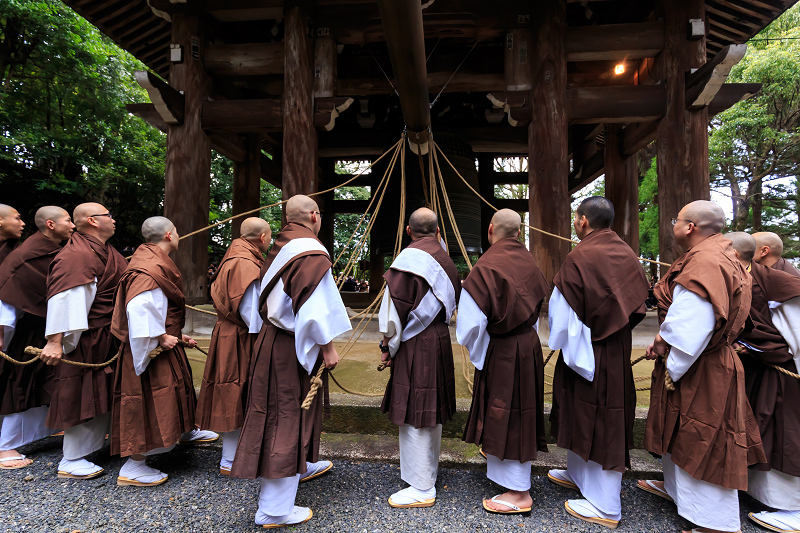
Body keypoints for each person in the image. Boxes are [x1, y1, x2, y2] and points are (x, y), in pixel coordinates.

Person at [639, 200, 765, 533]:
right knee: (683, 432)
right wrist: (663, 341)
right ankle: (678, 493)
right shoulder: (719, 255)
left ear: (690, 226)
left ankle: (714, 523)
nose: (673, 225)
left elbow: (690, 327)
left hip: (700, 365)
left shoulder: (707, 263)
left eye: (675, 219)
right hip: (701, 358)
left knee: (704, 438)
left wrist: (672, 364)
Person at [231, 195, 351, 528]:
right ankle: (274, 510)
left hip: (273, 340)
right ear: (314, 215)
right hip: (290, 346)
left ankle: (297, 468)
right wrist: (328, 348)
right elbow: (313, 310)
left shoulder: (281, 245)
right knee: (285, 418)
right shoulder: (310, 250)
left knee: (279, 414)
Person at [546, 197, 649, 529]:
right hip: (615, 344)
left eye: (576, 219)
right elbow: (638, 304)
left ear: (583, 221)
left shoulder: (580, 255)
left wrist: (563, 343)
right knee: (586, 411)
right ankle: (579, 473)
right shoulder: (627, 253)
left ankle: (606, 506)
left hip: (586, 346)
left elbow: (560, 315)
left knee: (603, 417)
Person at [109, 216, 217, 487]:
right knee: (148, 399)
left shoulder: (150, 259)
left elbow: (157, 306)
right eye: (177, 231)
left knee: (171, 393)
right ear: (169, 235)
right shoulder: (148, 266)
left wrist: (175, 334)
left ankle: (182, 431)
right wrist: (159, 335)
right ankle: (134, 466)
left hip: (165, 340)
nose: (179, 235)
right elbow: (138, 308)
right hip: (153, 345)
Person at [457, 209, 549, 515]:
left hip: (503, 349)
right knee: (515, 410)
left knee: (509, 413)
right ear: (519, 232)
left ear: (490, 229)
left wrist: (483, 352)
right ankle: (505, 476)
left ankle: (520, 493)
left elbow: (470, 327)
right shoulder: (530, 261)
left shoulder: (485, 267)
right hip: (528, 343)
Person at [378, 207, 460, 509]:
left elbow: (391, 316)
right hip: (438, 338)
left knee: (415, 409)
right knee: (430, 407)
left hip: (413, 342)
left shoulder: (405, 262)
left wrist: (387, 346)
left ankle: (421, 486)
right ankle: (429, 473)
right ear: (438, 232)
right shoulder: (447, 261)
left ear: (409, 232)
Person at [39, 203, 127, 479]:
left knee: (101, 392)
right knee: (81, 392)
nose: (114, 220)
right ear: (92, 221)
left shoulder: (103, 251)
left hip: (108, 334)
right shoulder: (77, 254)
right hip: (87, 338)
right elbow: (64, 299)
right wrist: (55, 341)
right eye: (109, 216)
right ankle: (71, 458)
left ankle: (96, 446)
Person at [725, 232, 800, 533]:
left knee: (784, 434)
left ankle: (794, 508)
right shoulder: (754, 277)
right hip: (760, 368)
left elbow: (796, 336)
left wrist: (765, 350)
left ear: (763, 250)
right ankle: (761, 494)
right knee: (761, 428)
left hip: (785, 375)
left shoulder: (785, 282)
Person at [196, 217, 271, 475]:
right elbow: (253, 314)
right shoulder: (245, 263)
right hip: (242, 337)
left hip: (228, 333)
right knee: (236, 392)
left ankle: (233, 456)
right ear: (262, 238)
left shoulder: (234, 256)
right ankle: (230, 459)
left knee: (232, 391)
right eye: (269, 236)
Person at [0, 207, 73, 469]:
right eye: (17, 218)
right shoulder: (25, 255)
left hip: (45, 326)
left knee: (47, 380)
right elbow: (8, 290)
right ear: (51, 224)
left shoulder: (45, 249)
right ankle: (5, 447)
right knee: (19, 382)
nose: (22, 223)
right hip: (24, 329)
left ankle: (48, 426)